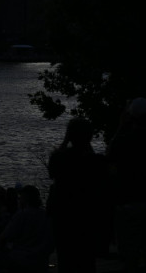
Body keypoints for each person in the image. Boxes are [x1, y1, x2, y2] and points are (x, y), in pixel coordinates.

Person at [107, 97, 146, 273]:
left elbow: (109, 155)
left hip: (129, 201)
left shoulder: (123, 140)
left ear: (131, 117)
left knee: (129, 254)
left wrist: (120, 126)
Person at [47, 117, 110, 273]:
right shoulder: (96, 161)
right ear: (89, 136)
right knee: (87, 260)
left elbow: (52, 173)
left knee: (65, 259)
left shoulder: (59, 158)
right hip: (87, 216)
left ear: (69, 134)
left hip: (63, 216)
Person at [0, 185, 53, 273]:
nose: (19, 200)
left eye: (20, 198)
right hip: (41, 262)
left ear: (25, 200)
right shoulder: (46, 216)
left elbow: (3, 238)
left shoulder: (21, 215)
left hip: (21, 260)